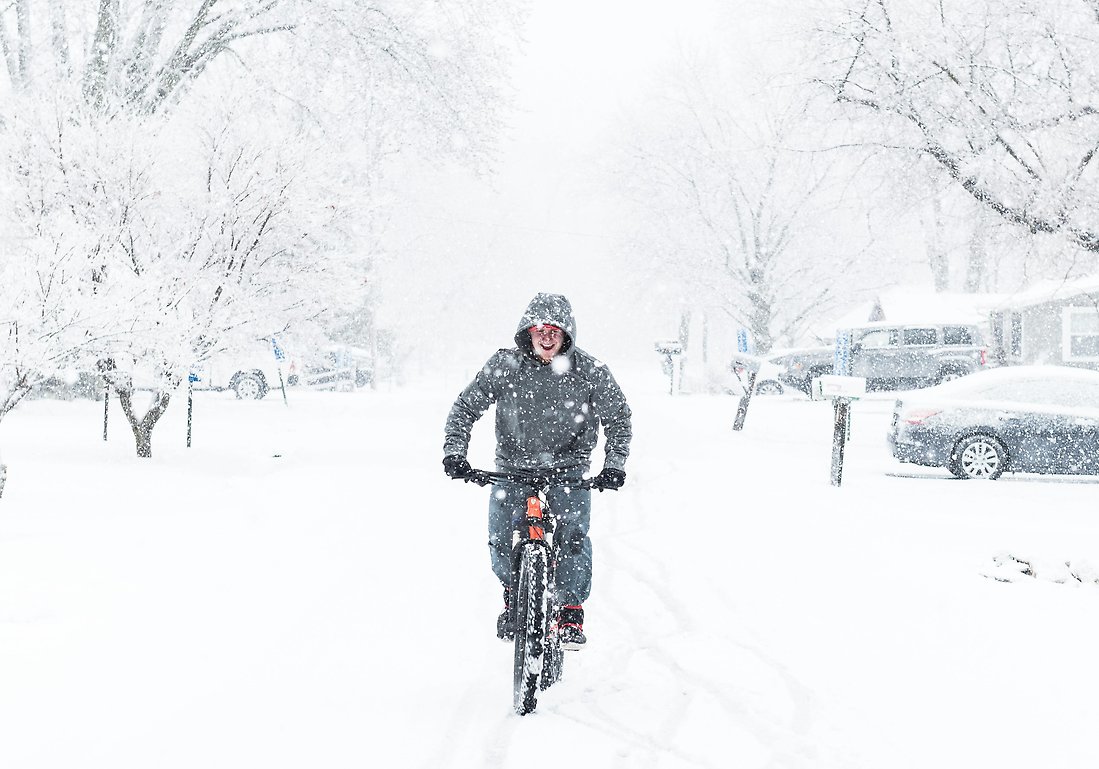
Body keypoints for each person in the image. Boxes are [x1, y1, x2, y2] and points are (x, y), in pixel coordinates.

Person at [442, 293, 632, 650]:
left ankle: (570, 612)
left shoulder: (590, 372)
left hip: (570, 468)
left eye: (554, 330)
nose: (547, 337)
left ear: (566, 334)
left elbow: (619, 418)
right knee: (500, 538)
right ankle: (514, 594)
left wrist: (614, 465)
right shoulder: (504, 366)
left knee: (573, 536)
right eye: (540, 329)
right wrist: (455, 452)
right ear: (527, 332)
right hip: (513, 467)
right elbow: (465, 408)